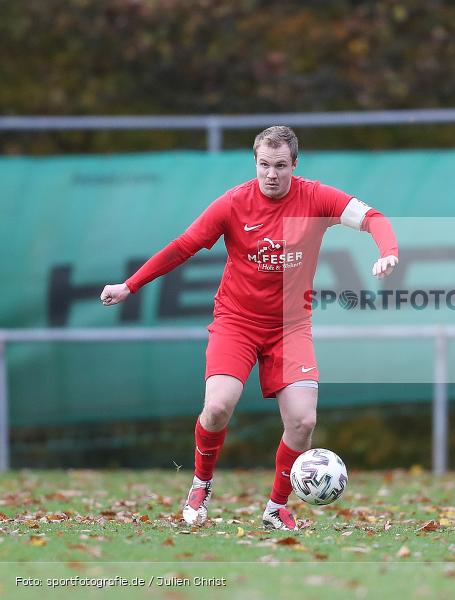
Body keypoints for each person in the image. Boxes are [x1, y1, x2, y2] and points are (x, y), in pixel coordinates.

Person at [100, 126, 399, 531]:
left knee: (303, 422)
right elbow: (182, 246)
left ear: (295, 164)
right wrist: (129, 285)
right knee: (218, 406)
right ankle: (201, 484)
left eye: (280, 166)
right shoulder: (233, 204)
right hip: (236, 322)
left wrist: (389, 253)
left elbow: (373, 218)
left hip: (291, 327)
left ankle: (276, 508)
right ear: (254, 163)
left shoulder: (316, 198)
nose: (271, 174)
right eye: (263, 165)